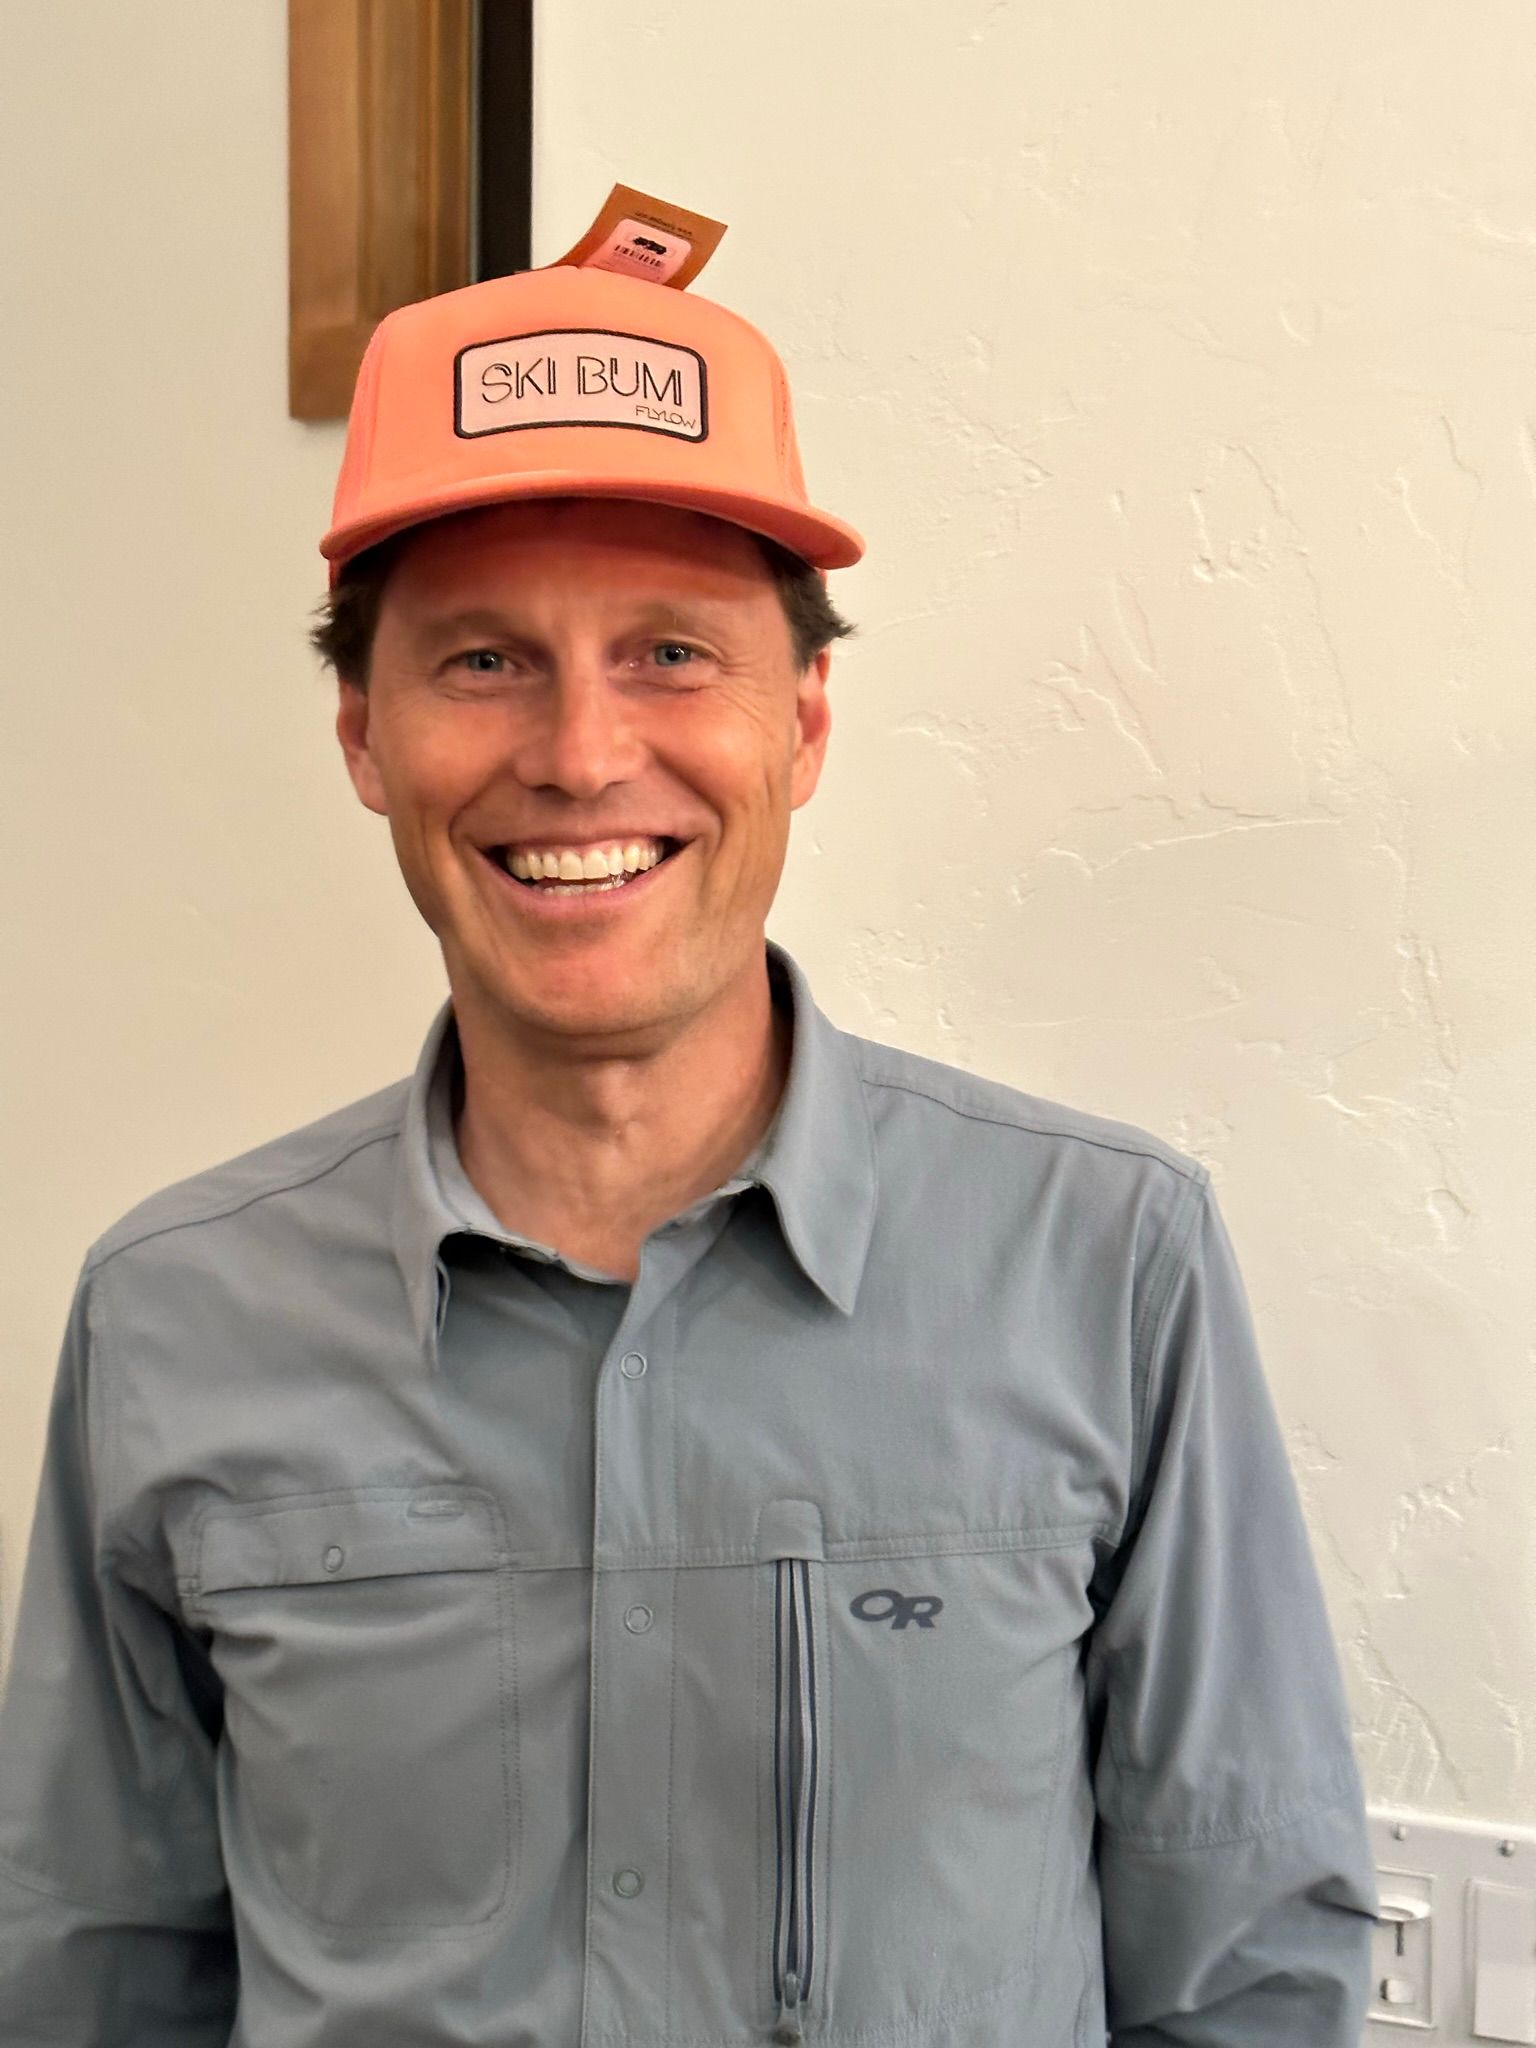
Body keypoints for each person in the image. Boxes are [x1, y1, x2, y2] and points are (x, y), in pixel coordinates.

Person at [0, 239, 1380, 2047]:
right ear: (363, 734)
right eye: (484, 660)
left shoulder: (1107, 1262)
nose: (580, 755)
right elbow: (90, 1975)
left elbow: (1251, 1970)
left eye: (671, 654)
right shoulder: (172, 1314)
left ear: (800, 725)